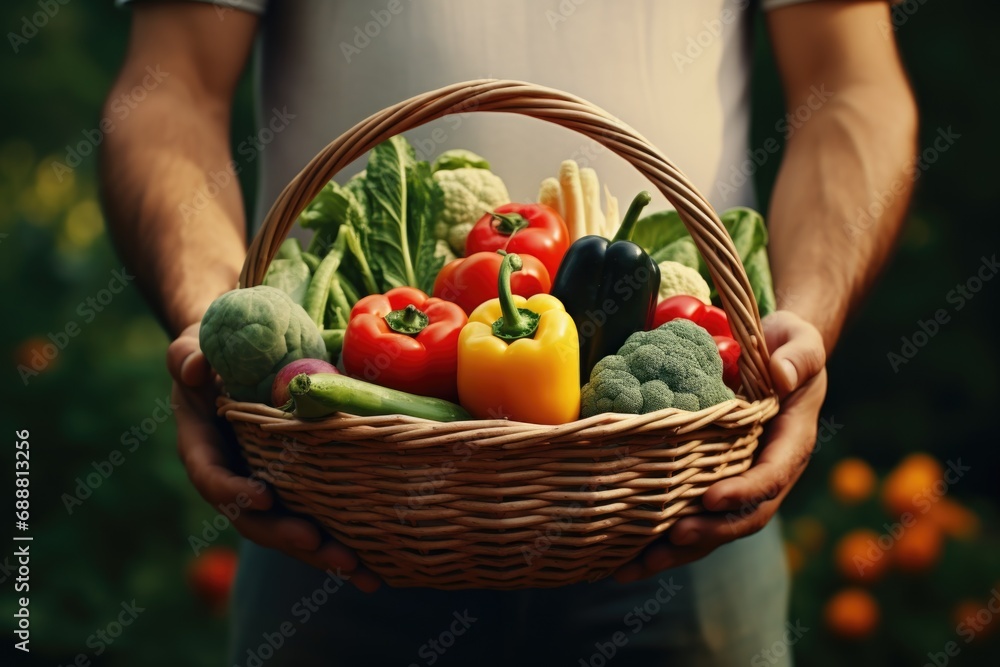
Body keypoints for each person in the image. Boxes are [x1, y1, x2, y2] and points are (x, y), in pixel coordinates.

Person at [101, 1, 917, 664]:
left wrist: (802, 322)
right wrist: (214, 323)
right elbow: (170, 91)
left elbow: (853, 88)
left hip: (684, 483)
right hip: (336, 493)